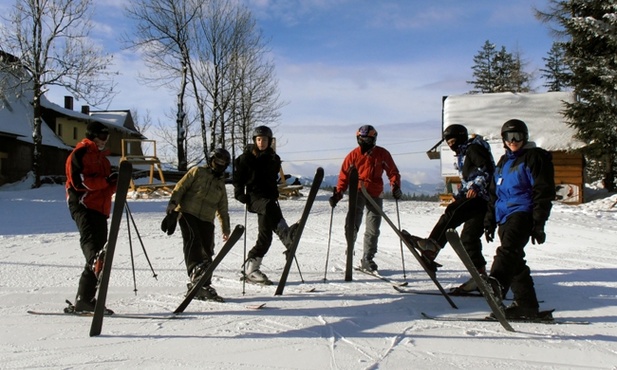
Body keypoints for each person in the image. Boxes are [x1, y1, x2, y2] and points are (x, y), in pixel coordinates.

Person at [484, 119, 555, 319]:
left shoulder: (534, 157)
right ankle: (526, 305)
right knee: (515, 260)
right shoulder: (503, 162)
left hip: (523, 213)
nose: (513, 141)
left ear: (525, 137)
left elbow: (543, 191)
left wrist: (539, 223)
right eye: (509, 137)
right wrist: (489, 220)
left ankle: (496, 282)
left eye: (518, 136)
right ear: (503, 139)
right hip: (503, 216)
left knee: (508, 252)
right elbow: (493, 193)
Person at [412, 124, 495, 294]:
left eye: (453, 140)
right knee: (468, 238)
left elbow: (486, 169)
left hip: (482, 198)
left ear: (461, 138)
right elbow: (468, 180)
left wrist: (477, 187)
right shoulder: (464, 154)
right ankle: (480, 277)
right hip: (478, 197)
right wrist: (461, 194)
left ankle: (432, 246)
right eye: (448, 142)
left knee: (452, 211)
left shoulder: (474, 150)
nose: (451, 144)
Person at [329, 124, 401, 272]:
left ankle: (368, 258)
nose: (364, 142)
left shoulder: (382, 154)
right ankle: (350, 245)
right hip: (358, 191)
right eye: (361, 138)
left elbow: (392, 171)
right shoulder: (353, 156)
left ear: (373, 139)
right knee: (352, 221)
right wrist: (338, 193)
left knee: (373, 227)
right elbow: (344, 176)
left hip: (375, 193)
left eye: (367, 139)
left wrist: (396, 186)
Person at [233, 126, 297, 285]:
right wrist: (240, 194)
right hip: (254, 197)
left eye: (265, 140)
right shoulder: (245, 158)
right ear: (255, 141)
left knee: (265, 237)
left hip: (269, 199)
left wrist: (274, 191)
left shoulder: (274, 159)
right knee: (269, 207)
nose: (261, 142)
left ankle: (251, 269)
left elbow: (272, 178)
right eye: (259, 139)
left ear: (269, 141)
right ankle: (288, 237)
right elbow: (238, 179)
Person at [166, 148, 232, 302]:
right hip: (188, 212)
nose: (220, 165)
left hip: (207, 219)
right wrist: (173, 203)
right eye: (218, 161)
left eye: (223, 163)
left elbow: (223, 208)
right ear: (211, 160)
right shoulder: (197, 172)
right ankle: (194, 270)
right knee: (193, 240)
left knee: (207, 249)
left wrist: (226, 229)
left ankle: (203, 285)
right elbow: (180, 187)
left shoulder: (220, 184)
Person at [65, 121, 117, 313]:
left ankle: (85, 299)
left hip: (100, 209)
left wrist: (115, 182)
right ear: (93, 135)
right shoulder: (79, 154)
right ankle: (94, 261)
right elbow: (78, 183)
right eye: (102, 137)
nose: (105, 141)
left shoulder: (104, 160)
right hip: (82, 205)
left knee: (100, 253)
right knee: (93, 246)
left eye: (107, 137)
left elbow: (106, 189)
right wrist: (105, 181)